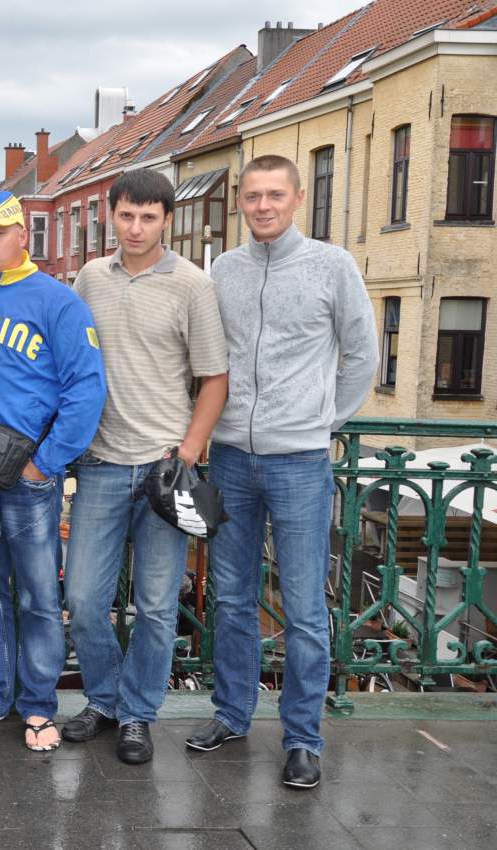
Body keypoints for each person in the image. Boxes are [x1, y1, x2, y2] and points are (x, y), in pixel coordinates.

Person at [186, 154, 377, 789]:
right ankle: (232, 714)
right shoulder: (224, 270)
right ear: (240, 202)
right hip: (230, 458)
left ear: (297, 199)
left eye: (275, 195)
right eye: (252, 196)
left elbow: (362, 353)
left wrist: (321, 422)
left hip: (299, 461)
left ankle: (302, 738)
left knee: (302, 607)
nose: (263, 206)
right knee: (233, 597)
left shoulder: (332, 266)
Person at [61, 169, 228, 765]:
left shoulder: (192, 285)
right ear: (112, 215)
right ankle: (104, 699)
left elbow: (214, 378)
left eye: (148, 217)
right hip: (102, 463)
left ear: (166, 220)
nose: (136, 228)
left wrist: (189, 449)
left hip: (165, 469)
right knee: (84, 598)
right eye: (126, 215)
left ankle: (137, 714)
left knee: (156, 606)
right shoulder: (89, 278)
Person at [0, 189, 106, 751]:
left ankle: (37, 704)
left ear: (19, 236)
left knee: (36, 595)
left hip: (27, 475)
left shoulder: (56, 301)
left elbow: (86, 389)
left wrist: (45, 463)